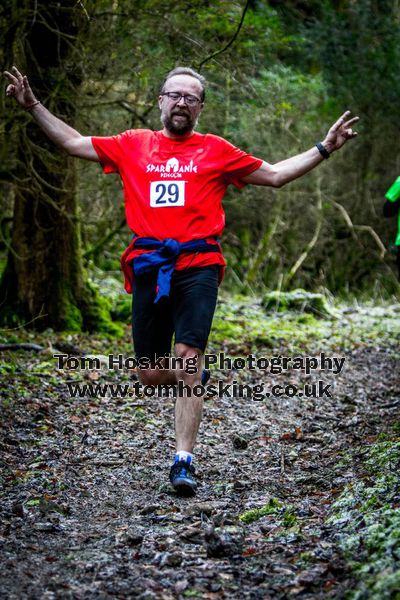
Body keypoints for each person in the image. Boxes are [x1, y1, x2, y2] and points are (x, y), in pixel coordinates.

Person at [4, 65, 359, 496]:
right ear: (160, 100)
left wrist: (325, 147)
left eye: (191, 98)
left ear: (200, 108)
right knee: (151, 375)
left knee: (188, 357)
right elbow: (72, 142)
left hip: (199, 265)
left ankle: (183, 461)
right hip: (151, 265)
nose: (182, 103)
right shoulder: (132, 145)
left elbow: (276, 175)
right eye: (174, 95)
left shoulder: (216, 150)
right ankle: (194, 378)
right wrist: (33, 105)